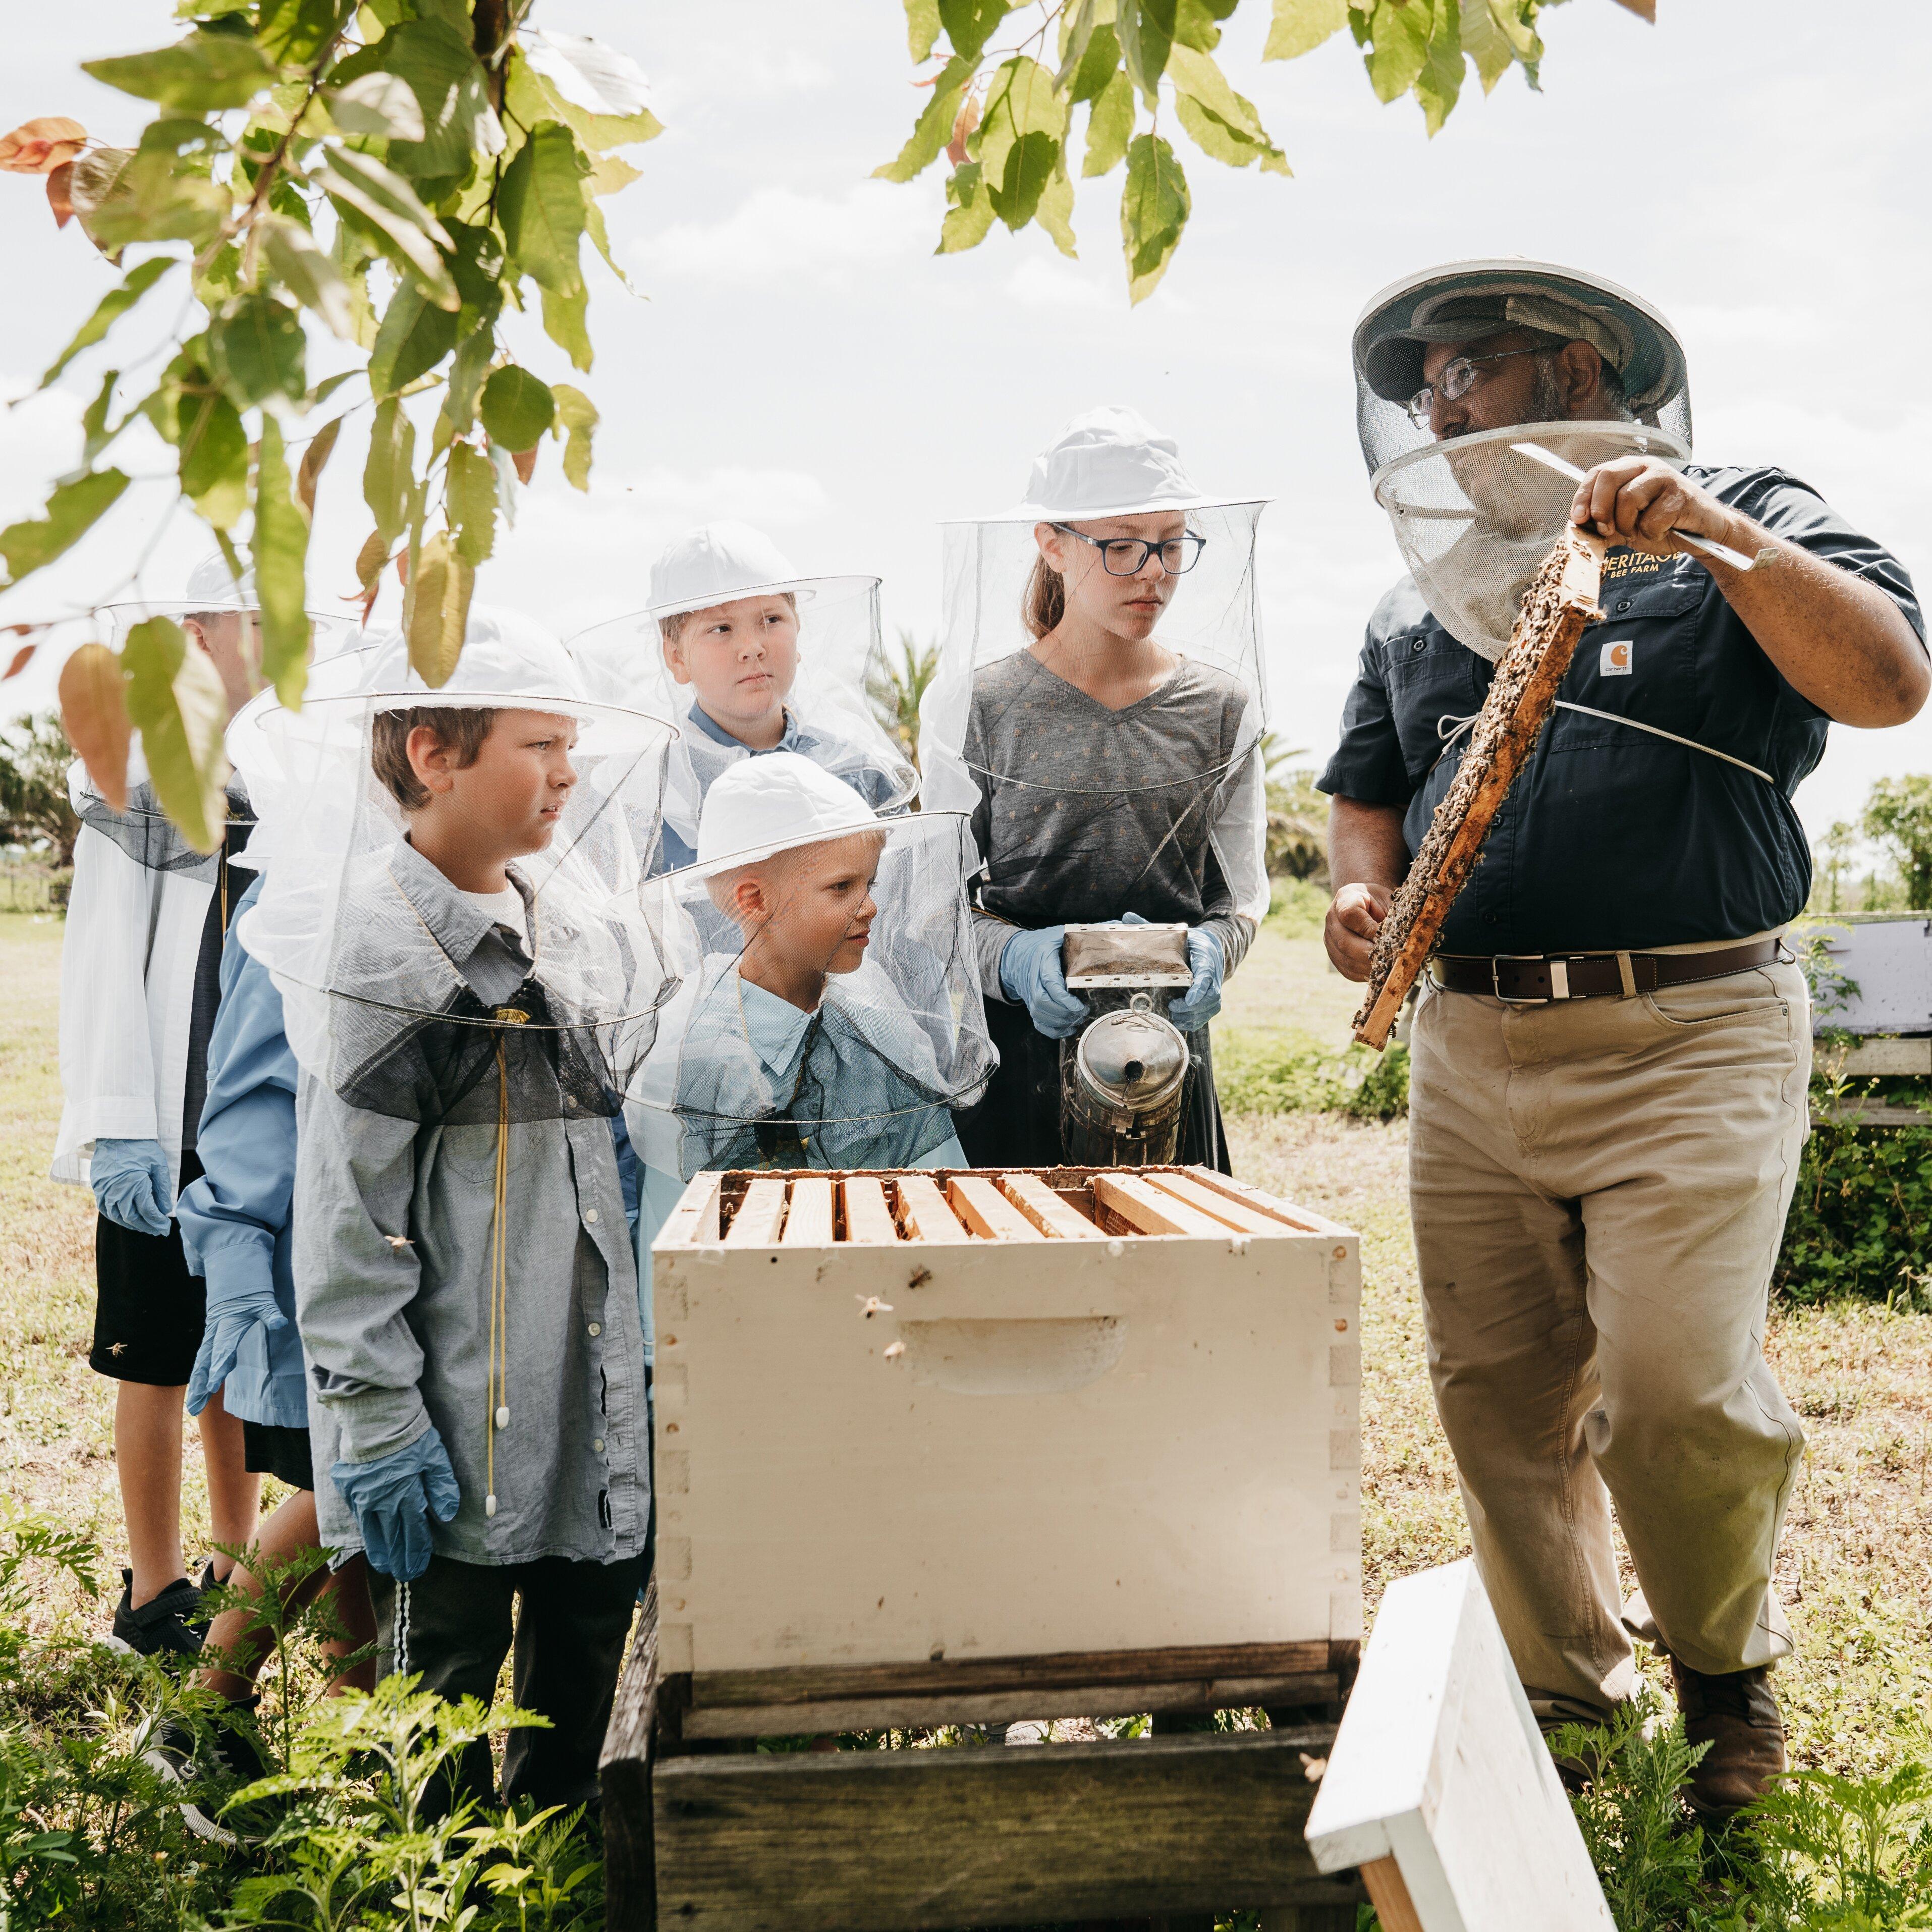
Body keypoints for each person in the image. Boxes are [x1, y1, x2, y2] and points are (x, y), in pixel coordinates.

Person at [1323, 259, 1929, 1818]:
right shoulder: (1419, 593)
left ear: (1574, 368)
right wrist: (1354, 893)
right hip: (1471, 1043)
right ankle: (1565, 1705)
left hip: (1689, 1030)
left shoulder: (1750, 512)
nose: (1436, 407)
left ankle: (1722, 1677)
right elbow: (1368, 789)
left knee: (1670, 1387)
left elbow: (1886, 683)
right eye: (1420, 387)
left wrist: (1718, 539)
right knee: (1493, 1397)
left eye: (1465, 370)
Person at [242, 611, 676, 1813]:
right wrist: (377, 1419)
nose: (568, 773)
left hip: (579, 1382)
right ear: (433, 754)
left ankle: (560, 1855)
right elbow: (346, 1217)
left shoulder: (568, 922)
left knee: (584, 1647)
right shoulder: (382, 953)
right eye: (539, 745)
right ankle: (440, 1885)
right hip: (450, 1405)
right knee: (441, 1678)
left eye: (572, 745)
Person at [52, 558, 355, 1654]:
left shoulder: (301, 760)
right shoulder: (139, 765)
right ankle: (153, 1587)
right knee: (154, 1352)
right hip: (168, 1110)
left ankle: (234, 1561)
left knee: (239, 1334)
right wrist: (118, 1117)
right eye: (262, 620)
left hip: (256, 1115)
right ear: (199, 631)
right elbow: (102, 947)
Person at [151, 650, 383, 1840]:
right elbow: (244, 1100)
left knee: (356, 1489)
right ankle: (212, 1704)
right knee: (345, 1485)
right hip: (312, 1240)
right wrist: (240, 1260)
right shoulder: (297, 899)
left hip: (385, 1236)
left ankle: (365, 1727)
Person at [920, 406, 1270, 1171]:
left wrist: (1213, 948)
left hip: (1169, 1062)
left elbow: (1240, 898)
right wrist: (1015, 959)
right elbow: (935, 907)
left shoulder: (1221, 707)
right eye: (1121, 546)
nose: (1153, 572)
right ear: (1051, 544)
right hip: (1013, 1064)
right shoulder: (974, 706)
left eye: (1171, 544)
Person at [626, 752, 994, 1263]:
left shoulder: (878, 1031)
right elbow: (668, 1256)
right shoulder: (694, 1061)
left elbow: (943, 1206)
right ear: (754, 900)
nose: (870, 906)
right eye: (841, 887)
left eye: (870, 884)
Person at [572, 521, 916, 873]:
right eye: (721, 628)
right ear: (676, 657)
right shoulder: (643, 795)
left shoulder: (856, 771)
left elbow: (905, 892)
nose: (752, 647)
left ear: (798, 631)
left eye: (771, 620)